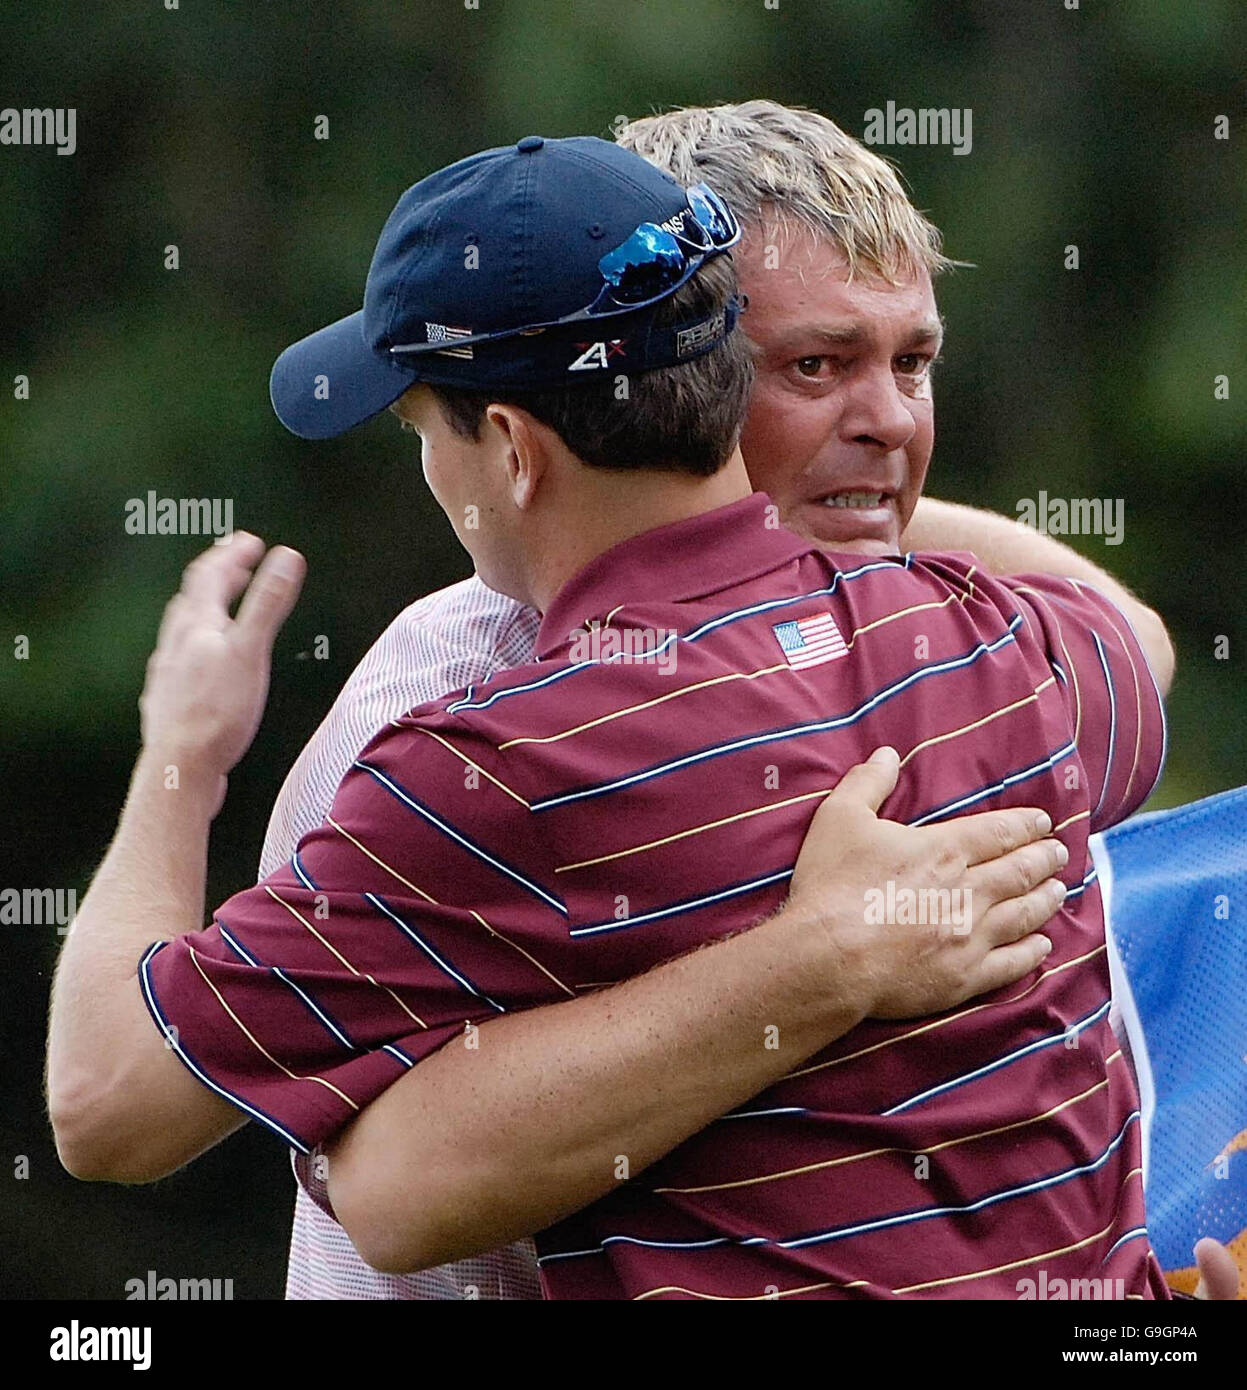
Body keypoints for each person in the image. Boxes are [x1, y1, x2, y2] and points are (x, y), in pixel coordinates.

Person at [49, 133, 1172, 1299]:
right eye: (819, 367)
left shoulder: (486, 760)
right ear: (724, 382)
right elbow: (1128, 648)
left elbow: (106, 1106)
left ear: (514, 453)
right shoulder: (1001, 642)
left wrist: (180, 756)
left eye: (425, 430)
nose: (881, 416)